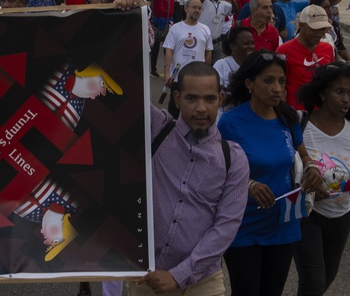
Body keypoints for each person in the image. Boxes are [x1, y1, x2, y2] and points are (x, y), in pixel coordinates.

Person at [133, 62, 249, 295]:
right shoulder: (157, 129)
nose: (201, 108)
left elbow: (226, 226)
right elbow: (124, 89)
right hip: (150, 276)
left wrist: (179, 275)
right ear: (177, 99)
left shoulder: (233, 159)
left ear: (221, 99)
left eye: (209, 99)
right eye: (191, 98)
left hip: (204, 280)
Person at [218, 50, 323, 296]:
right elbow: (218, 171)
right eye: (268, 81)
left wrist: (311, 168)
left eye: (281, 81)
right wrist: (249, 184)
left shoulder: (287, 117)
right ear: (249, 84)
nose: (277, 88)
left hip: (283, 225)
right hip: (243, 225)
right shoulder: (230, 123)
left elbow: (303, 156)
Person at [294, 64, 350, 295]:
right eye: (339, 92)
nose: (346, 99)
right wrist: (306, 186)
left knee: (325, 279)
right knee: (313, 281)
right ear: (322, 93)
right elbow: (283, 165)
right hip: (308, 215)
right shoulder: (300, 123)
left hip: (341, 216)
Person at [277, 5, 335, 110]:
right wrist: (284, 112)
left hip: (322, 114)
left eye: (323, 29)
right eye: (315, 29)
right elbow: (279, 85)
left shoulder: (328, 49)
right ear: (302, 26)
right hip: (295, 113)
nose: (320, 33)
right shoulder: (283, 51)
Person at [163, 0, 213, 117]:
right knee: (175, 106)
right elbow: (169, 51)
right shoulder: (176, 28)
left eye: (199, 8)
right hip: (177, 76)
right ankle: (171, 130)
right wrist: (166, 73)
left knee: (195, 105)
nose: (197, 10)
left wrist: (206, 72)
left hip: (197, 77)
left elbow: (208, 52)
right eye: (194, 7)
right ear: (186, 8)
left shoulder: (205, 29)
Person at [213, 26, 255, 119]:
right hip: (224, 117)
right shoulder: (222, 65)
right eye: (246, 43)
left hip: (248, 118)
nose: (251, 47)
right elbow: (215, 96)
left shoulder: (255, 66)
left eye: (252, 43)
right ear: (233, 46)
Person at [150, 0, 174, 78]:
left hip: (167, 25)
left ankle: (167, 71)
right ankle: (153, 70)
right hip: (157, 25)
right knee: (155, 50)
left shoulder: (171, 0)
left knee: (167, 50)